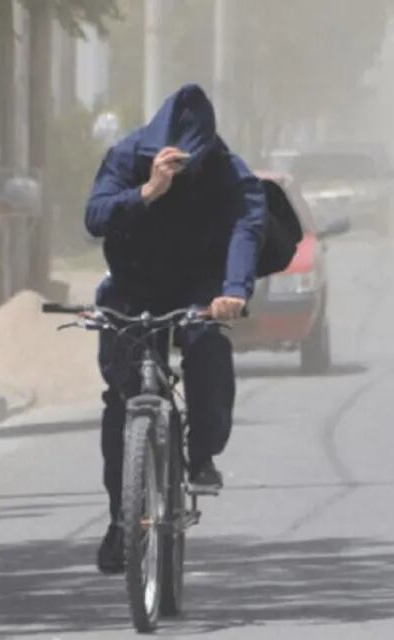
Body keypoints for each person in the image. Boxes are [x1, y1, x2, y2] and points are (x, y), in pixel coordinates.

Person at [84, 84, 267, 574]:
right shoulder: (126, 156)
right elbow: (94, 217)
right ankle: (121, 520)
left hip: (197, 287)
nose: (183, 169)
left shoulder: (227, 170)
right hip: (133, 283)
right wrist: (147, 191)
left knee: (208, 349)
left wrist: (233, 291)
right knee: (120, 398)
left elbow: (247, 226)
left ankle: (202, 451)